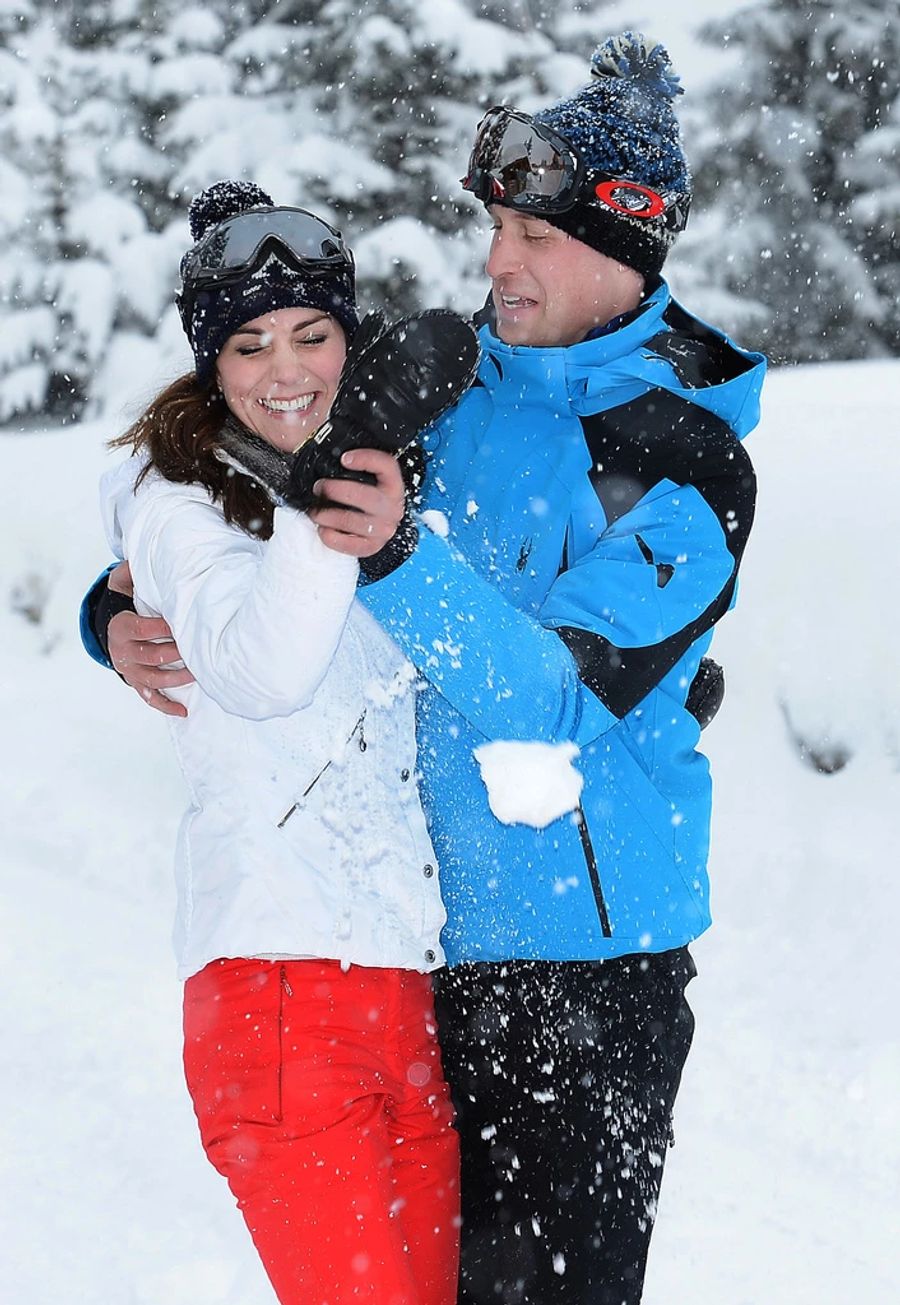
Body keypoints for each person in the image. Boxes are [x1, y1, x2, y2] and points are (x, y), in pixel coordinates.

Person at [84, 32, 766, 1305]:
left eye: (535, 239)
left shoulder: (691, 463)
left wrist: (395, 553)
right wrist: (112, 608)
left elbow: (556, 695)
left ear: (625, 249)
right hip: (418, 955)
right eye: (495, 227)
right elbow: (245, 467)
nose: (496, 261)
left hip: (587, 983)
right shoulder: (442, 373)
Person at [93, 180, 462, 1305]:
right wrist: (329, 485)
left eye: (313, 334)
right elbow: (258, 670)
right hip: (279, 995)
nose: (286, 369)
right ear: (211, 367)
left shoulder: (389, 477)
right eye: (249, 345)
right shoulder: (177, 505)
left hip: (407, 993)